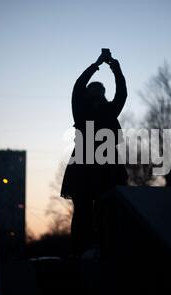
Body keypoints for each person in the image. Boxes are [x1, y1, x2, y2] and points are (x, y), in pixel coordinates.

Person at [61, 50, 128, 255]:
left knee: (106, 212)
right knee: (82, 212)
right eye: (94, 90)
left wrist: (115, 67)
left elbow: (122, 93)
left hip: (107, 166)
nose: (98, 93)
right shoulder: (81, 110)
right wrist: (97, 64)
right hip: (84, 165)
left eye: (100, 90)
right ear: (89, 94)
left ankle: (105, 251)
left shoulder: (110, 111)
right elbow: (78, 86)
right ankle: (78, 252)